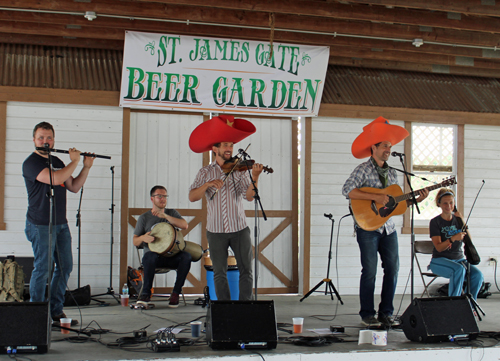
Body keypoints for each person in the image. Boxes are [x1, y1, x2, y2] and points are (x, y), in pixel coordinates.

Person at [342, 116, 428, 327]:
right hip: (367, 228)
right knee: (370, 271)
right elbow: (347, 190)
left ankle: (386, 313)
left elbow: (392, 206)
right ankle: (367, 314)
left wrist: (414, 200)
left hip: (388, 229)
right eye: (385, 146)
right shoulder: (362, 169)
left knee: (392, 269)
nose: (389, 149)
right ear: (374, 148)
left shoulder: (393, 173)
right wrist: (375, 197)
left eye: (390, 146)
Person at [23, 121, 95, 325]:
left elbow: (72, 186)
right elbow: (54, 179)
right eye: (41, 137)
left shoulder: (56, 160)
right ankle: (36, 314)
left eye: (49, 137)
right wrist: (74, 161)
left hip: (60, 223)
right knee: (43, 268)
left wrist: (85, 167)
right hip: (39, 224)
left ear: (54, 140)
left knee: (65, 266)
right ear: (34, 139)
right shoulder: (31, 163)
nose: (45, 141)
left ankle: (55, 310)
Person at [188, 115, 263, 301]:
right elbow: (192, 197)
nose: (229, 149)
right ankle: (225, 310)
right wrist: (207, 185)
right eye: (225, 145)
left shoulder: (238, 170)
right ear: (215, 149)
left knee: (247, 271)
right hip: (215, 230)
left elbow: (248, 196)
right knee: (219, 273)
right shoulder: (205, 172)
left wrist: (255, 176)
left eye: (231, 145)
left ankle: (245, 308)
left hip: (239, 228)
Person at [133, 185, 191, 308]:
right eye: (159, 196)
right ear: (152, 199)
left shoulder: (171, 213)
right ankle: (145, 293)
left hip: (171, 256)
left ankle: (175, 293)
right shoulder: (144, 218)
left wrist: (165, 216)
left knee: (186, 256)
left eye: (165, 196)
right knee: (150, 256)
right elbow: (135, 241)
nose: (162, 198)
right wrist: (143, 238)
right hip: (153, 259)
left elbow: (185, 225)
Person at [429, 188, 483, 299]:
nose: (448, 206)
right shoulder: (435, 222)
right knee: (458, 269)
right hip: (440, 260)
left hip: (459, 260)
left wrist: (462, 220)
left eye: (451, 203)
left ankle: (470, 305)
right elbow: (439, 248)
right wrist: (452, 239)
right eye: (445, 203)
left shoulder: (457, 220)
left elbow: (469, 240)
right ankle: (454, 305)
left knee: (477, 275)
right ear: (439, 204)